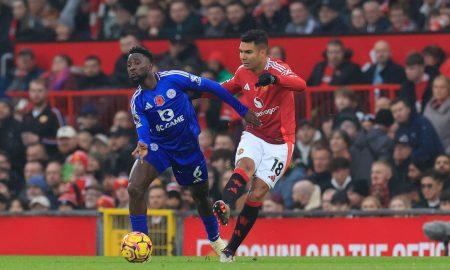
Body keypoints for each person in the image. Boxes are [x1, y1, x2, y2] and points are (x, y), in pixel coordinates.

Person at [125, 46, 260, 257]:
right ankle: (141, 245)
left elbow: (213, 87)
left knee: (200, 197)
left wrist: (242, 110)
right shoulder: (137, 100)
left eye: (136, 63)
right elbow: (143, 131)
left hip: (188, 148)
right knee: (134, 188)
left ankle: (215, 241)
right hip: (159, 147)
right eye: (129, 65)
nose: (132, 68)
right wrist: (142, 146)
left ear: (150, 65)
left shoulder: (174, 78)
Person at [212, 29, 306, 262]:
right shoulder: (242, 72)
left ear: (263, 52)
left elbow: (301, 84)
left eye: (248, 52)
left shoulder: (277, 68)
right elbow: (226, 88)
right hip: (255, 134)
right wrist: (195, 93)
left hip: (281, 143)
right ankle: (226, 203)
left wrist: (275, 80)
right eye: (241, 51)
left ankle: (230, 250)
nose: (243, 56)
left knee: (257, 193)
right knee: (245, 165)